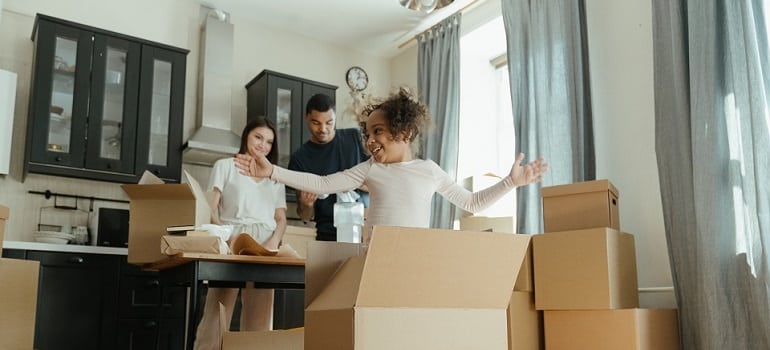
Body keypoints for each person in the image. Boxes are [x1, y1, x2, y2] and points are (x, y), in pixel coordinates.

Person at [234, 88, 548, 235]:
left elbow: (472, 203)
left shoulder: (429, 171)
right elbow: (323, 183)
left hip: (414, 258)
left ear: (405, 131)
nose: (370, 140)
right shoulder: (371, 168)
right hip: (372, 257)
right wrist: (271, 170)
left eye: (378, 132)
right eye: (367, 133)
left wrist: (511, 182)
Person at [194, 117, 287, 350]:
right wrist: (227, 235)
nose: (262, 145)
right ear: (246, 135)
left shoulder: (275, 176)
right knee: (217, 310)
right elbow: (209, 208)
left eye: (268, 142)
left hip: (265, 245)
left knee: (260, 316)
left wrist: (274, 241)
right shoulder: (225, 166)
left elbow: (281, 219)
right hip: (231, 240)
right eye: (258, 137)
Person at [288, 93, 369, 241]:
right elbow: (305, 216)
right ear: (306, 118)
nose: (323, 129)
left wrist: (356, 182)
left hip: (365, 229)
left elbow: (379, 180)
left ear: (335, 118)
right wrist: (307, 204)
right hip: (328, 234)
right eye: (316, 123)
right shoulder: (299, 159)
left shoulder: (355, 138)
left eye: (329, 122)